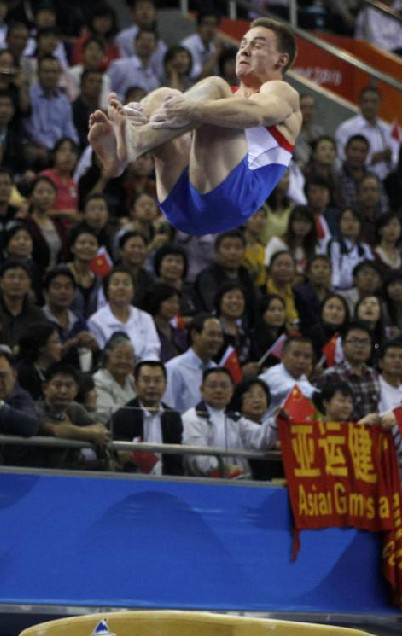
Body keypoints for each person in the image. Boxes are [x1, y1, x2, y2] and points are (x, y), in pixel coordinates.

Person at [88, 17, 301, 235]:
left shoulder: (282, 92)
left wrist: (193, 108)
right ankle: (127, 147)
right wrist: (144, 111)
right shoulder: (230, 95)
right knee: (164, 95)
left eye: (257, 45)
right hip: (181, 206)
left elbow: (256, 115)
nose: (244, 51)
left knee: (214, 87)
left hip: (233, 198)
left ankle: (136, 141)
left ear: (280, 60)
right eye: (243, 44)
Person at [182, 367, 276, 479]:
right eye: (213, 386)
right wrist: (228, 472)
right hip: (203, 486)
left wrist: (275, 421)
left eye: (224, 386)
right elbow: (199, 460)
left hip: (238, 485)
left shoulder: (235, 419)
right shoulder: (192, 418)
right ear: (202, 389)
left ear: (232, 390)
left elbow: (260, 438)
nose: (218, 390)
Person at [112, 360, 183, 476]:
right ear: (136, 385)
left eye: (157, 381)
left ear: (165, 385)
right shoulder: (122, 416)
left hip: (167, 483)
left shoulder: (173, 417)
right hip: (132, 481)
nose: (152, 386)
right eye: (146, 380)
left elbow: (175, 462)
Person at [88, 266, 160, 360]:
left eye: (126, 283)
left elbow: (152, 350)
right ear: (107, 290)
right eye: (116, 283)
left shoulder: (145, 318)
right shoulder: (96, 321)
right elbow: (101, 354)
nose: (121, 287)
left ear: (134, 290)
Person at [319, 322, 381, 420]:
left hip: (370, 434)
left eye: (365, 342)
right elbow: (322, 414)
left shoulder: (375, 375)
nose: (360, 346)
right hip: (341, 433)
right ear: (343, 345)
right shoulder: (330, 375)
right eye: (354, 341)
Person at [162, 313, 223, 413]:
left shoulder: (217, 370)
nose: (216, 340)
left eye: (219, 335)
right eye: (211, 334)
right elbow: (167, 409)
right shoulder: (174, 368)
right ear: (195, 335)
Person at [335, 86, 398, 181]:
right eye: (366, 101)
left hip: (384, 182)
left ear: (380, 104)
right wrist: (373, 158)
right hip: (355, 180)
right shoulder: (346, 128)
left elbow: (395, 159)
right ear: (359, 103)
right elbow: (342, 158)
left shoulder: (386, 129)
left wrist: (390, 156)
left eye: (374, 102)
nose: (370, 106)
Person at [259, 336, 316, 413]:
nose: (301, 361)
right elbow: (295, 392)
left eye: (307, 357)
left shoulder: (301, 377)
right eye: (296, 355)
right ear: (283, 356)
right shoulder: (273, 374)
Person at [92, 332, 137, 424]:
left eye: (128, 357)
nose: (124, 361)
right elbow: (107, 416)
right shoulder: (98, 381)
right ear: (107, 358)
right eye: (118, 356)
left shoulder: (133, 381)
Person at [16, 321, 63, 400]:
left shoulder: (55, 370)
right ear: (41, 346)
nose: (60, 347)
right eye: (55, 342)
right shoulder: (24, 373)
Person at [377, 341, 402, 413]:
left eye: (401, 357)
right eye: (392, 356)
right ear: (380, 363)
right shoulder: (373, 386)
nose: (397, 360)